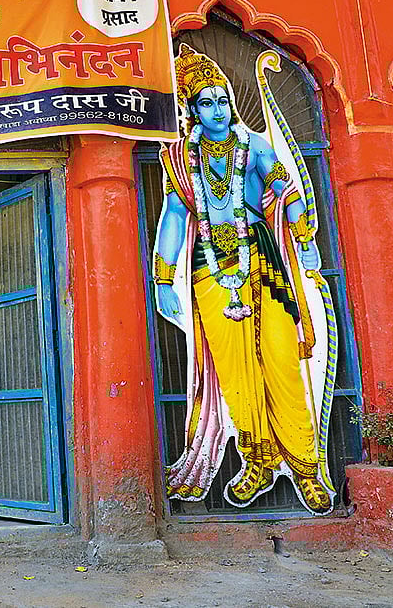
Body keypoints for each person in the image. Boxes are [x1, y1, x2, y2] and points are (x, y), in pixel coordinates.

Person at [153, 45, 332, 514]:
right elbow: (174, 215)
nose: (217, 110)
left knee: (282, 365)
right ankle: (258, 460)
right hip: (209, 272)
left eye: (222, 101)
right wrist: (162, 279)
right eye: (206, 103)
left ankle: (308, 469)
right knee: (236, 375)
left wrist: (304, 234)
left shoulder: (253, 146)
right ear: (191, 110)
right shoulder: (178, 158)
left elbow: (284, 188)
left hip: (262, 262)